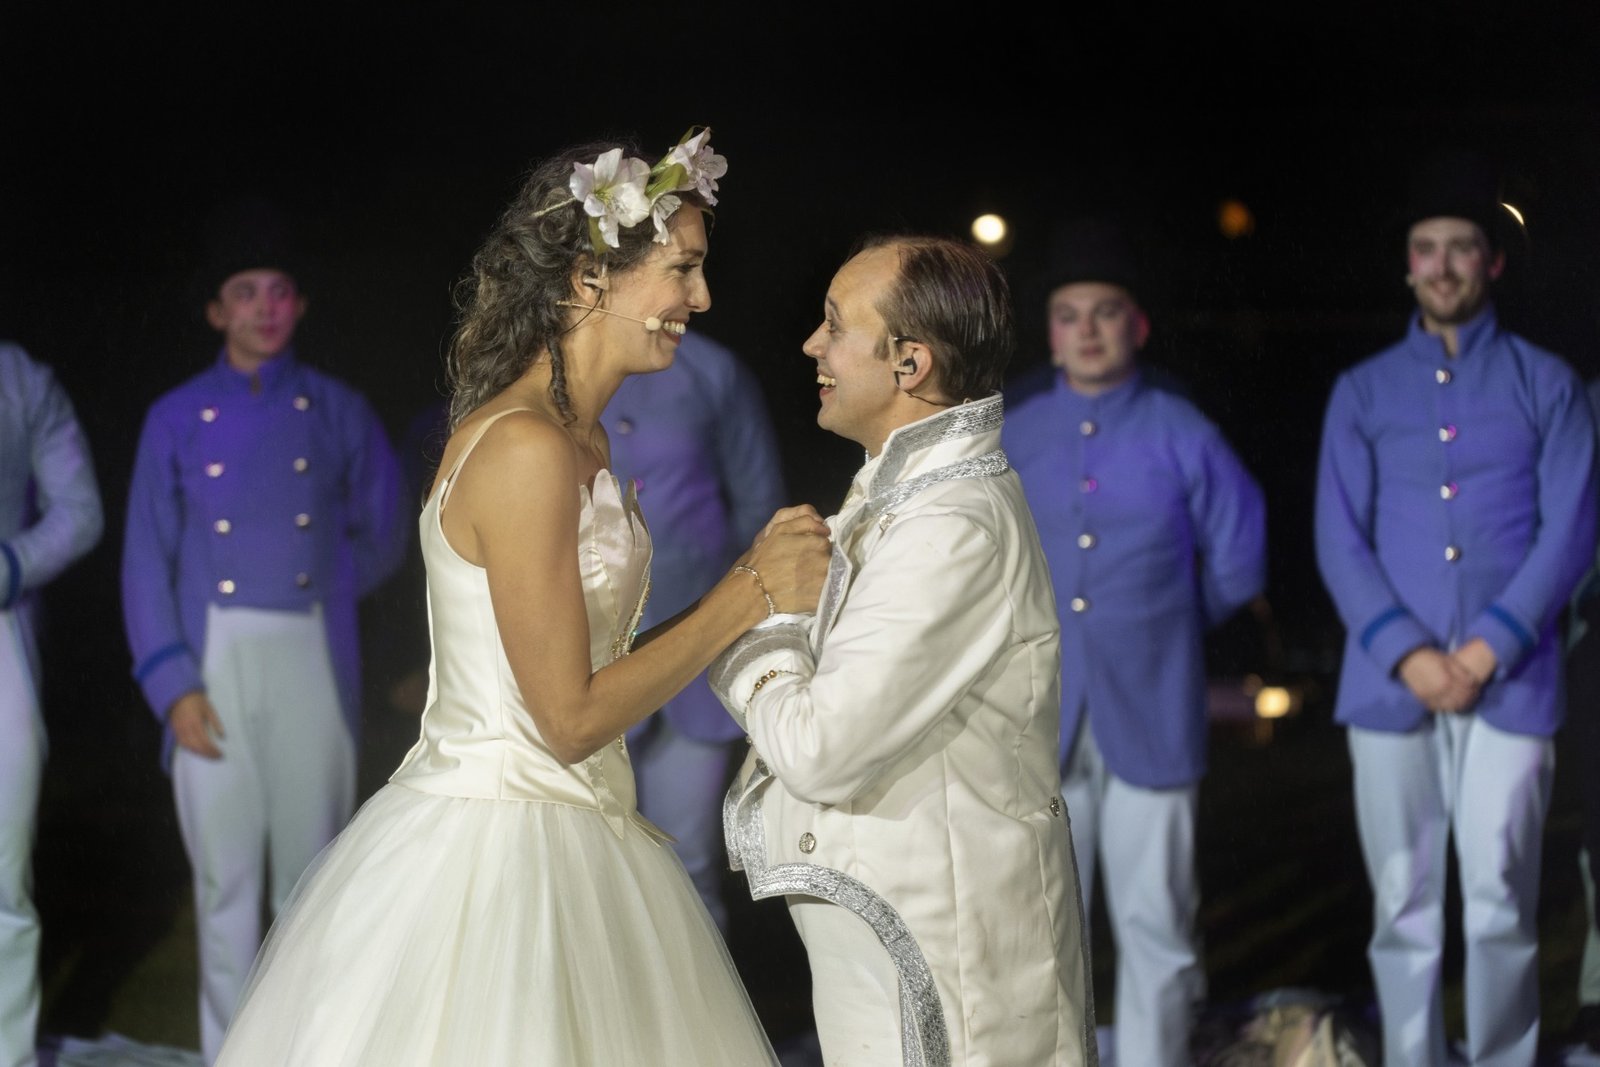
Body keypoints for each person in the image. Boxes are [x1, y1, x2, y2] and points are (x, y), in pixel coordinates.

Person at [211, 131, 832, 1065]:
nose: (701, 298)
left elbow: (591, 662)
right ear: (588, 278)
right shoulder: (524, 446)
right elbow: (568, 720)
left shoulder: (583, 440)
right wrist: (747, 592)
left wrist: (749, 593)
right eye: (682, 269)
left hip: (583, 828)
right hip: (497, 847)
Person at [709, 234, 1097, 1065]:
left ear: (909, 362)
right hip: (909, 928)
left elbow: (819, 748)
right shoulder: (905, 492)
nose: (812, 345)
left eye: (834, 325)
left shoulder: (948, 524)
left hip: (944, 949)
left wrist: (761, 627)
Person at [1313, 147, 1597, 1066]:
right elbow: (1338, 538)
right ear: (1408, 264)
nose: (1442, 265)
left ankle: (1504, 1055)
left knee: (1502, 897)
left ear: (1493, 261)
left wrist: (1485, 650)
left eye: (1461, 247)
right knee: (1401, 903)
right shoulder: (1361, 391)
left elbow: (1572, 528)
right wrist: (1408, 651)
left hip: (1511, 681)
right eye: (1426, 248)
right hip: (1388, 682)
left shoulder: (1548, 383)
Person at [119, 200, 409, 1064]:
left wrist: (324, 579)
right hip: (211, 661)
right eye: (245, 292)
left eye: (279, 291)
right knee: (224, 885)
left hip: (312, 652)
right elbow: (145, 558)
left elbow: (388, 526)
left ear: (300, 304)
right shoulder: (174, 417)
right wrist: (172, 684)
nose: (265, 307)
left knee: (309, 885)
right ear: (217, 311)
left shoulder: (337, 409)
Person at [1002, 217, 1267, 1067]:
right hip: (1038, 714)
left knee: (1157, 919)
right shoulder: (1014, 429)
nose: (1086, 329)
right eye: (1068, 314)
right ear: (1050, 331)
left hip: (1153, 712)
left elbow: (1241, 554)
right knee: (1041, 922)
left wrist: (1169, 625)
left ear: (1138, 324)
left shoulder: (1183, 429)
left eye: (1106, 311)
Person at [605, 328, 786, 933]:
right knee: (588, 869)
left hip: (696, 655)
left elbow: (759, 507)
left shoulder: (712, 371)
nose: (695, 294)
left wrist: (727, 607)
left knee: (689, 866)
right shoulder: (556, 360)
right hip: (589, 658)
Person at [0, 341, 103, 1067]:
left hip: (1, 628)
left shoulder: (21, 379)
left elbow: (79, 508)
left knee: (2, 874)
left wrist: (13, 565)